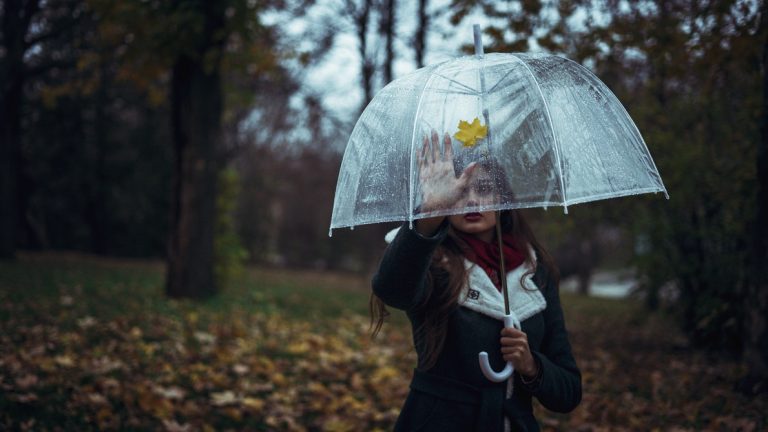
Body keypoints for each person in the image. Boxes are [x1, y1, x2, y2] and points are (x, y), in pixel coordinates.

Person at [370, 132, 581, 431]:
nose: (471, 200)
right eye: (459, 191)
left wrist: (531, 366)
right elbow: (392, 290)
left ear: (503, 198)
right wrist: (430, 213)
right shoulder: (429, 260)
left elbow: (569, 392)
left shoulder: (536, 269)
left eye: (484, 189)